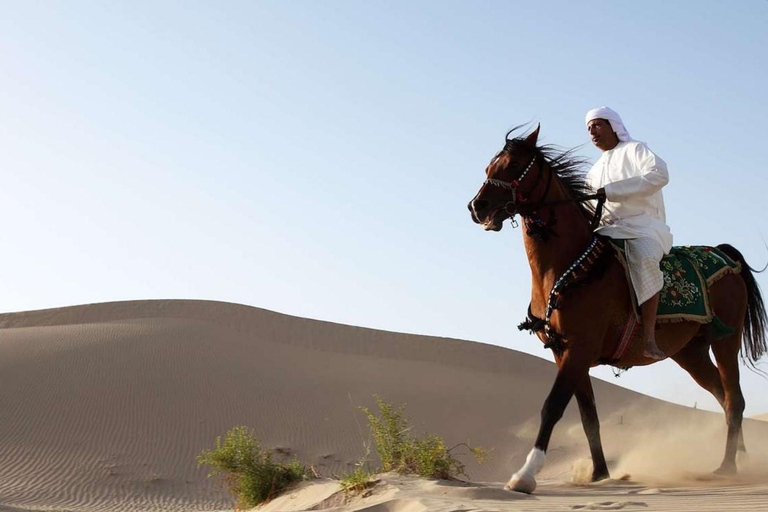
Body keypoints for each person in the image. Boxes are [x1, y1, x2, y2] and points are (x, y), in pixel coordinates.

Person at [584, 107, 672, 360]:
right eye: (589, 128)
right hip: (608, 230)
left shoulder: (636, 150)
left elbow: (660, 175)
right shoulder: (593, 171)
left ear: (614, 126)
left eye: (598, 125)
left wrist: (612, 190)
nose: (592, 131)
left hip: (643, 227)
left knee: (644, 259)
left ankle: (648, 338)